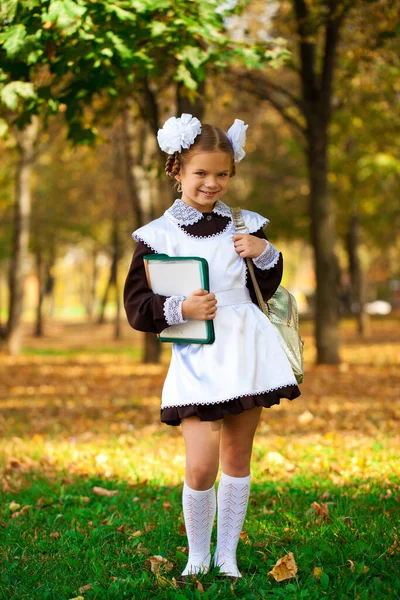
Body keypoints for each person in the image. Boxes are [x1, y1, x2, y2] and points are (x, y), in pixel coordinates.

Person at [123, 113, 301, 579]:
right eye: (201, 172)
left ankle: (227, 557)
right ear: (177, 170)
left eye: (222, 173)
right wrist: (181, 307)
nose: (211, 183)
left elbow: (266, 285)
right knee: (201, 465)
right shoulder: (157, 236)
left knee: (237, 460)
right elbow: (137, 305)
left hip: (248, 352)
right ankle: (197, 554)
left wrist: (263, 254)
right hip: (199, 357)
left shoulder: (246, 225)